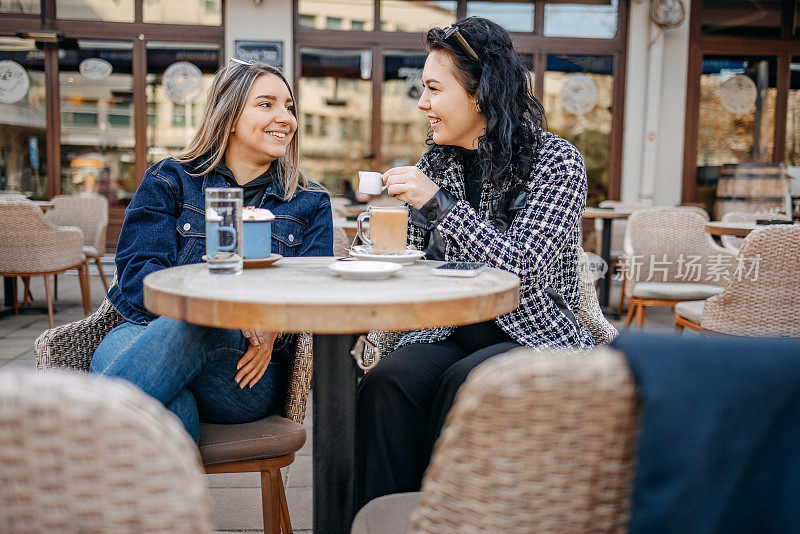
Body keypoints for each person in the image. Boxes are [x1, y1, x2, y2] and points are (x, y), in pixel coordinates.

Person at [356, 17, 594, 507]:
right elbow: (411, 254)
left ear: (479, 93)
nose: (422, 103)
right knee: (386, 383)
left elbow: (525, 270)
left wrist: (441, 206)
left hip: (537, 334)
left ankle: (451, 516)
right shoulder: (437, 163)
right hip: (451, 330)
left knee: (465, 384)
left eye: (433, 89)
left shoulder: (557, 162)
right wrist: (380, 231)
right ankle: (384, 517)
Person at [90, 60, 333, 441]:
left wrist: (272, 324)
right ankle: (174, 501)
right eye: (266, 104)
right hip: (139, 334)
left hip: (243, 370)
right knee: (175, 407)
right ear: (231, 116)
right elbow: (139, 275)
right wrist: (225, 312)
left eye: (289, 106)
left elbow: (314, 289)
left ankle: (71, 433)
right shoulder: (170, 179)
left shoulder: (310, 201)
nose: (285, 117)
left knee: (196, 325)